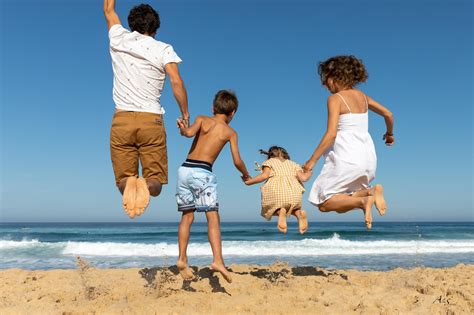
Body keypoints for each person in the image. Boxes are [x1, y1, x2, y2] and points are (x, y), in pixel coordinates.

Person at [103, 0, 190, 218]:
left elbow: (108, 9)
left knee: (122, 180)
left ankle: (131, 183)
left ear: (131, 24)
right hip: (151, 120)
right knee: (155, 181)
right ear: (155, 28)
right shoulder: (163, 49)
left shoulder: (118, 38)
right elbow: (176, 81)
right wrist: (185, 114)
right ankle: (144, 186)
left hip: (121, 119)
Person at [304, 55, 394, 229]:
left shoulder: (335, 99)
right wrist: (389, 134)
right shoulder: (364, 98)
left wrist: (311, 162)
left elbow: (331, 134)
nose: (325, 85)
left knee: (325, 203)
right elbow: (388, 114)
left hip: (346, 154)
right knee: (343, 200)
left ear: (336, 77)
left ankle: (363, 202)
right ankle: (370, 192)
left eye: (326, 79)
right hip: (367, 158)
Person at [175, 90, 250, 283]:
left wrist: (183, 128)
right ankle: (218, 260)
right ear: (233, 112)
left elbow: (188, 133)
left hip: (184, 170)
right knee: (212, 217)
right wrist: (246, 174)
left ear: (212, 108)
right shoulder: (230, 132)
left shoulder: (202, 119)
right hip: (202, 173)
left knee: (187, 216)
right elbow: (237, 160)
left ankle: (182, 258)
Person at [244, 146, 312, 234]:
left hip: (276, 191)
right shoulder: (294, 164)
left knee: (272, 208)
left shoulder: (269, 162)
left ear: (270, 155)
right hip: (294, 192)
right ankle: (300, 215)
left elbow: (264, 176)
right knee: (294, 209)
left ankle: (281, 212)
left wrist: (250, 181)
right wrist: (309, 173)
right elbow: (304, 178)